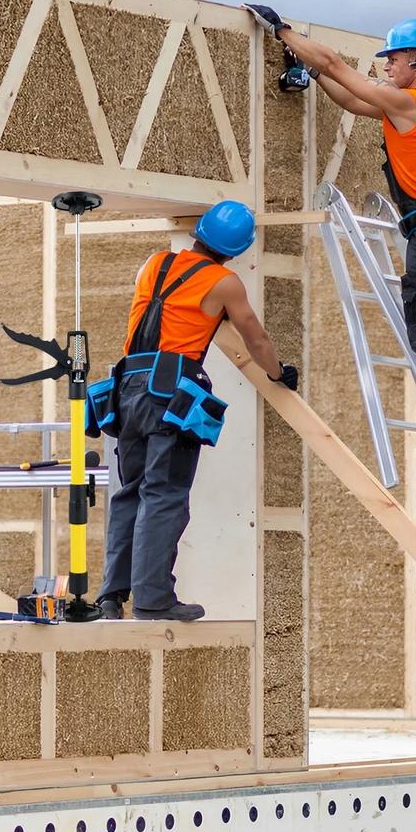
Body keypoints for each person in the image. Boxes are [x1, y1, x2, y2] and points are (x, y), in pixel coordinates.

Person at [245, 6, 416, 467]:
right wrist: (312, 71)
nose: (386, 66)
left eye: (392, 59)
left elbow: (337, 65)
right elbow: (353, 101)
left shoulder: (411, 102)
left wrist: (282, 31)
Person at [96, 201, 298, 621]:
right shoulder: (224, 283)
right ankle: (153, 600)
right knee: (164, 495)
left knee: (130, 492)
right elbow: (255, 338)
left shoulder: (154, 263)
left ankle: (111, 596)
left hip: (127, 389)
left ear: (201, 232)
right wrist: (278, 372)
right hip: (169, 394)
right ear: (237, 249)